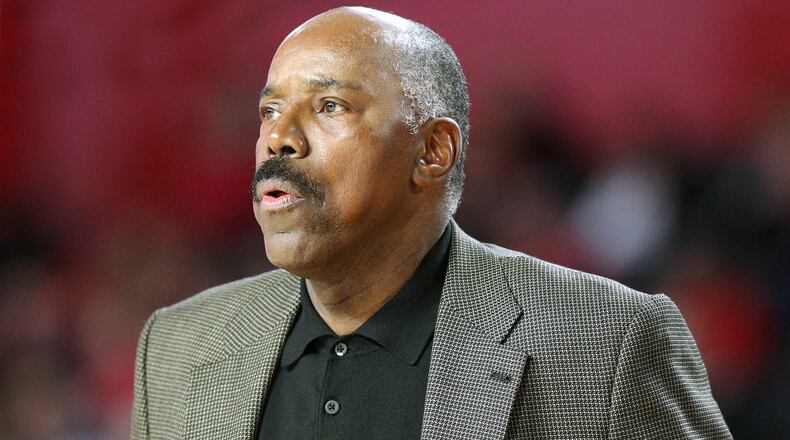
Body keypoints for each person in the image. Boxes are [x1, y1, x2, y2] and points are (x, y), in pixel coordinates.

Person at [130, 7, 732, 439]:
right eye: (269, 110)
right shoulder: (176, 347)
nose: (278, 139)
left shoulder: (608, 342)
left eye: (329, 106)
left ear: (432, 152)